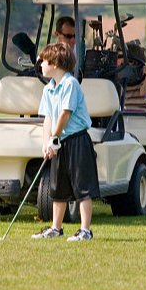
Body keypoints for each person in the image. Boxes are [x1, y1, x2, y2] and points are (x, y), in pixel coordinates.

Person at [31, 42, 99, 241]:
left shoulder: (71, 84)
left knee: (82, 187)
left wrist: (55, 137)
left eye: (43, 61)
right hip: (59, 143)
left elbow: (64, 114)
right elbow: (48, 119)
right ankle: (56, 228)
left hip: (77, 140)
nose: (40, 64)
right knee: (58, 188)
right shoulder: (48, 89)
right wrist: (47, 142)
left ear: (55, 63)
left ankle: (85, 230)